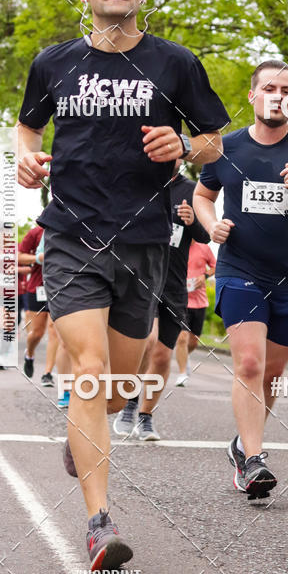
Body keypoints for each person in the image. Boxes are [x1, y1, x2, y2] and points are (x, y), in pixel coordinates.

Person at [16, 0, 229, 570]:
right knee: (86, 370)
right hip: (74, 235)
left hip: (144, 243)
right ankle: (99, 523)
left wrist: (186, 148)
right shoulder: (53, 64)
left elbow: (217, 138)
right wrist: (26, 156)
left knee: (117, 388)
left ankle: (86, 438)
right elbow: (28, 122)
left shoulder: (176, 65)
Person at [194, 60, 288, 500]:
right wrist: (211, 225)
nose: (277, 95)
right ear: (253, 95)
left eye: (286, 89)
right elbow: (203, 194)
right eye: (269, 88)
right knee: (248, 364)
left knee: (272, 376)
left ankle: (244, 446)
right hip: (239, 271)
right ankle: (255, 461)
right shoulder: (225, 148)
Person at [113, 160, 210, 440]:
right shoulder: (140, 183)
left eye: (178, 152)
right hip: (143, 278)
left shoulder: (192, 190)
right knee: (148, 341)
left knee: (163, 355)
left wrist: (193, 220)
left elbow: (205, 236)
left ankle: (146, 417)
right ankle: (129, 402)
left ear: (181, 157)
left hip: (175, 285)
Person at [174, 239, 216, 386]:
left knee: (193, 342)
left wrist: (204, 276)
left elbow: (215, 266)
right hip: (181, 300)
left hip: (199, 301)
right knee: (182, 338)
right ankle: (182, 373)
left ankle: (185, 358)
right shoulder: (176, 244)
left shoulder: (204, 248)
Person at [18, 224, 51, 381]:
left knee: (56, 332)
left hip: (64, 287)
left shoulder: (72, 227)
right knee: (37, 332)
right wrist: (38, 258)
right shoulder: (37, 232)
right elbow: (19, 257)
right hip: (39, 288)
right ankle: (29, 354)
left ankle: (48, 373)